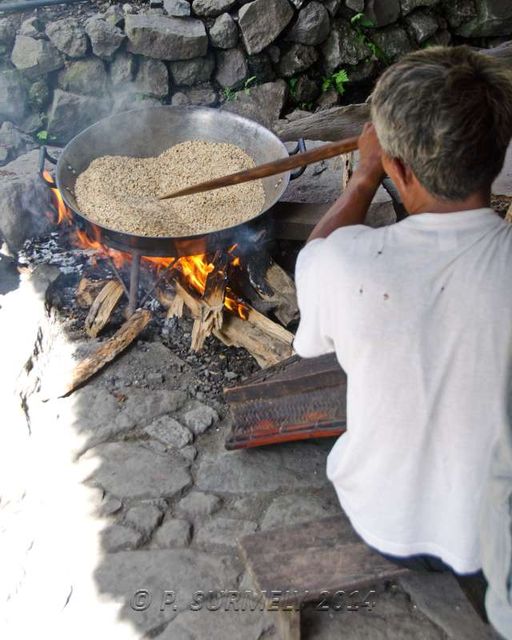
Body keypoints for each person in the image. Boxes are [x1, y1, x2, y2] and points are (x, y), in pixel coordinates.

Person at [293, 46, 512, 638]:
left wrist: (363, 176)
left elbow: (314, 257)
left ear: (402, 171)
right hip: (493, 543)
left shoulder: (346, 263)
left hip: (382, 518)